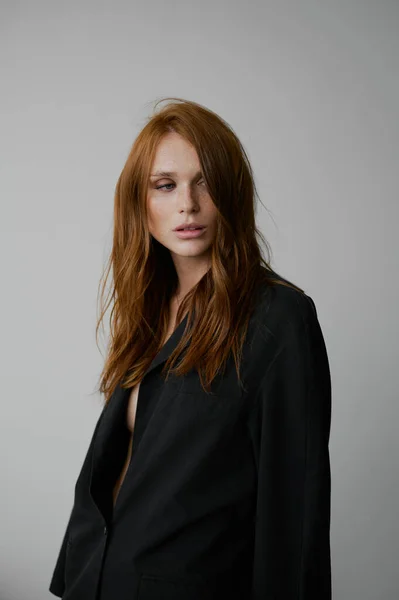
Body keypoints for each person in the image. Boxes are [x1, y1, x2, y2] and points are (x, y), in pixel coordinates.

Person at [49, 97, 332, 600]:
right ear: (141, 202)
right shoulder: (148, 312)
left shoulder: (277, 319)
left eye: (205, 182)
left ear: (232, 192)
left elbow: (294, 513)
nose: (188, 204)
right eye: (166, 185)